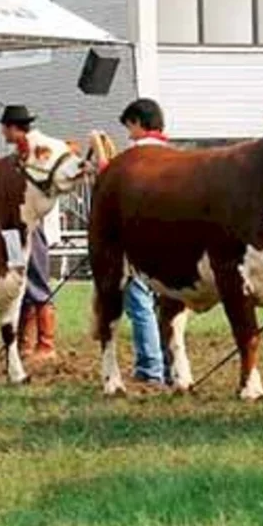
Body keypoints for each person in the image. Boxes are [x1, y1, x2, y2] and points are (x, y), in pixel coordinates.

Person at [115, 98, 173, 386]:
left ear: (138, 122)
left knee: (139, 304)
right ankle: (171, 366)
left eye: (130, 126)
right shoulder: (174, 155)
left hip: (140, 240)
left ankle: (151, 368)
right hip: (173, 242)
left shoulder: (135, 157)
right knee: (168, 307)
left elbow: (113, 188)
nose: (129, 134)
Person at [0, 105, 57, 362]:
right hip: (12, 226)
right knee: (19, 278)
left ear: (11, 127)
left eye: (3, 127)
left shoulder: (36, 153)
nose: (2, 132)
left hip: (30, 224)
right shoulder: (21, 154)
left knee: (37, 279)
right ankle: (25, 341)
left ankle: (45, 343)